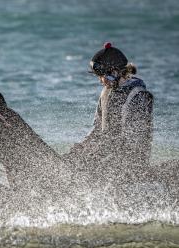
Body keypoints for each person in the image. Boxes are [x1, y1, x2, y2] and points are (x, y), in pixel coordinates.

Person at [65, 42, 154, 179]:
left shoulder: (137, 95)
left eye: (103, 76)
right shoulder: (106, 92)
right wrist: (82, 147)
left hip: (131, 163)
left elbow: (135, 141)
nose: (101, 81)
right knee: (73, 163)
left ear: (116, 72)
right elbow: (97, 129)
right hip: (108, 154)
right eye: (98, 76)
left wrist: (100, 154)